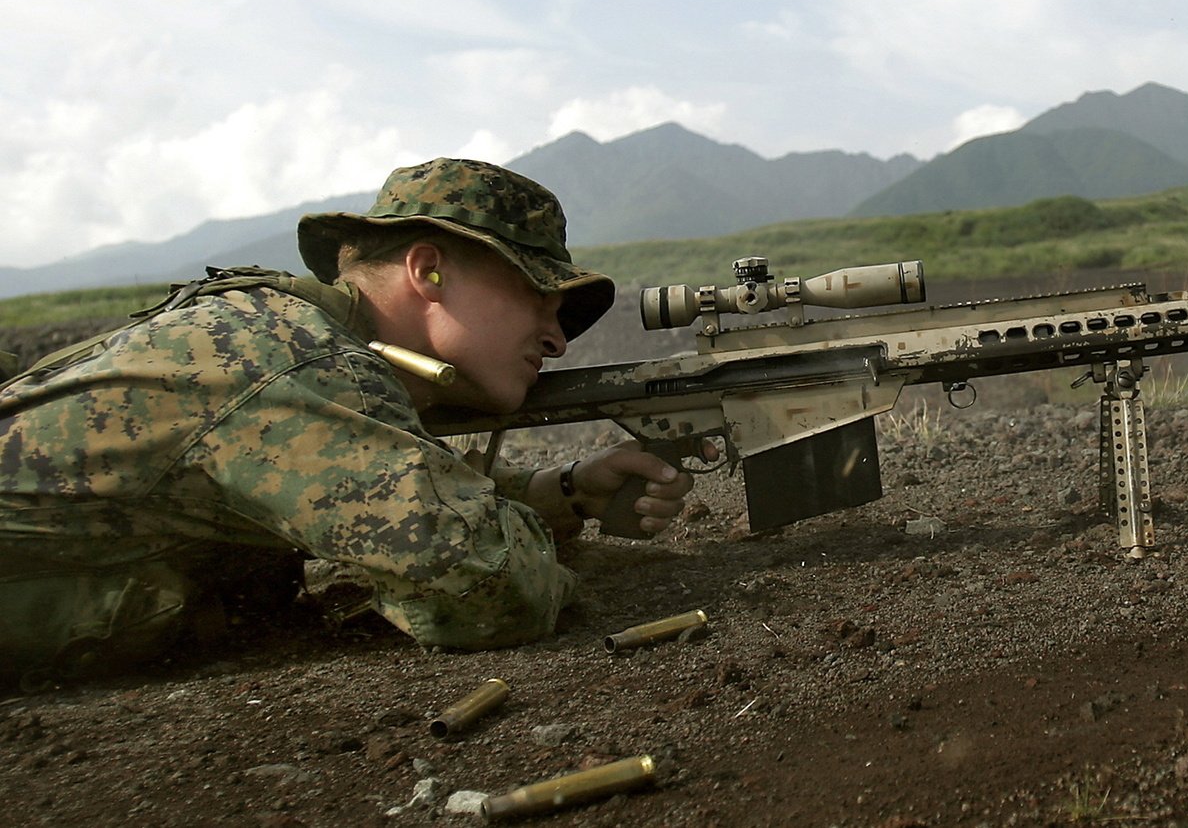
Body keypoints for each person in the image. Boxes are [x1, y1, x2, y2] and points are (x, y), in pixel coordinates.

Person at [0, 158, 694, 685]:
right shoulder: (292, 358)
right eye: (537, 296)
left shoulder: (301, 342)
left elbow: (389, 485)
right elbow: (479, 580)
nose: (557, 339)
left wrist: (562, 491)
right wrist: (530, 541)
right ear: (429, 271)